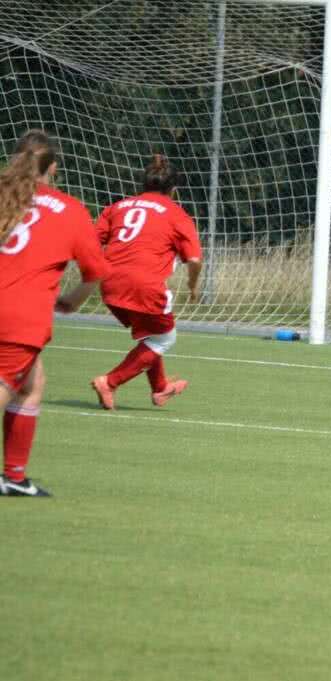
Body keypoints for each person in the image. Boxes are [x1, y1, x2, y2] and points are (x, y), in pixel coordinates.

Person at [0, 129, 111, 497]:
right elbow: (95, 272)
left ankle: (14, 477)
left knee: (33, 384)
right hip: (16, 319)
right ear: (54, 169)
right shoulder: (70, 210)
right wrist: (74, 301)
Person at [90, 154, 202, 410]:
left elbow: (91, 240)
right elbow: (194, 260)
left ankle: (160, 388)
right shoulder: (177, 215)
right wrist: (193, 286)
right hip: (144, 286)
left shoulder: (118, 207)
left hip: (109, 282)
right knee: (164, 339)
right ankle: (110, 381)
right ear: (174, 190)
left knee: (153, 335)